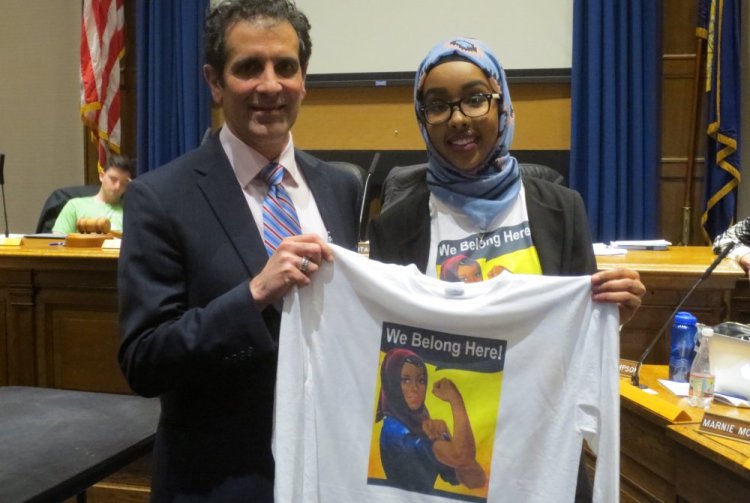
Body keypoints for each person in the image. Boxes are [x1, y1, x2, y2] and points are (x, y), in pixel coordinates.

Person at [368, 37, 646, 501]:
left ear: (502, 104)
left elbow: (581, 334)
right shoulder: (396, 226)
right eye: (437, 106)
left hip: (540, 453)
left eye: (475, 99)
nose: (458, 119)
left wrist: (614, 313)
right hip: (447, 468)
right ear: (422, 121)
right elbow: (385, 348)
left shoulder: (561, 210)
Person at [117, 1, 360, 500]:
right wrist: (253, 295)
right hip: (221, 481)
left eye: (285, 67)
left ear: (303, 78)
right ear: (214, 81)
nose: (270, 86)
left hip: (329, 472)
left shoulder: (341, 186)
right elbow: (144, 361)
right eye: (249, 68)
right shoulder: (161, 197)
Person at [376, 348, 486, 493]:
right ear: (392, 383)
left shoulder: (422, 425)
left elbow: (475, 480)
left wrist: (446, 436)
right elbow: (460, 458)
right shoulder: (394, 431)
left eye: (421, 380)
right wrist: (455, 399)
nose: (414, 388)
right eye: (405, 380)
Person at [51, 154, 134, 234]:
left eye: (124, 183)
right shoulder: (75, 206)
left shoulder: (131, 211)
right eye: (113, 179)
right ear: (101, 176)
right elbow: (57, 244)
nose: (117, 187)